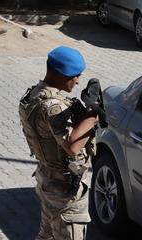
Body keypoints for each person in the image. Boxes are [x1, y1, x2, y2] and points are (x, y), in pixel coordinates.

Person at [20, 46, 96, 239]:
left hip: (48, 178)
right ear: (61, 75)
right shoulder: (53, 106)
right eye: (75, 76)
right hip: (64, 190)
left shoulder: (34, 94)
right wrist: (94, 114)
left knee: (47, 235)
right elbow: (72, 146)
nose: (78, 81)